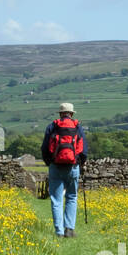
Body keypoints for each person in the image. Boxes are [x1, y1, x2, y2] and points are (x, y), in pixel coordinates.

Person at [41, 102, 86, 238]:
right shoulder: (77, 127)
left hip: (56, 166)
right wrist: (80, 163)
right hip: (73, 166)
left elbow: (44, 148)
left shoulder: (52, 126)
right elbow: (84, 150)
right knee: (72, 197)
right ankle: (69, 229)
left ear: (60, 113)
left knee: (56, 199)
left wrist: (50, 163)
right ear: (71, 114)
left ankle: (59, 232)